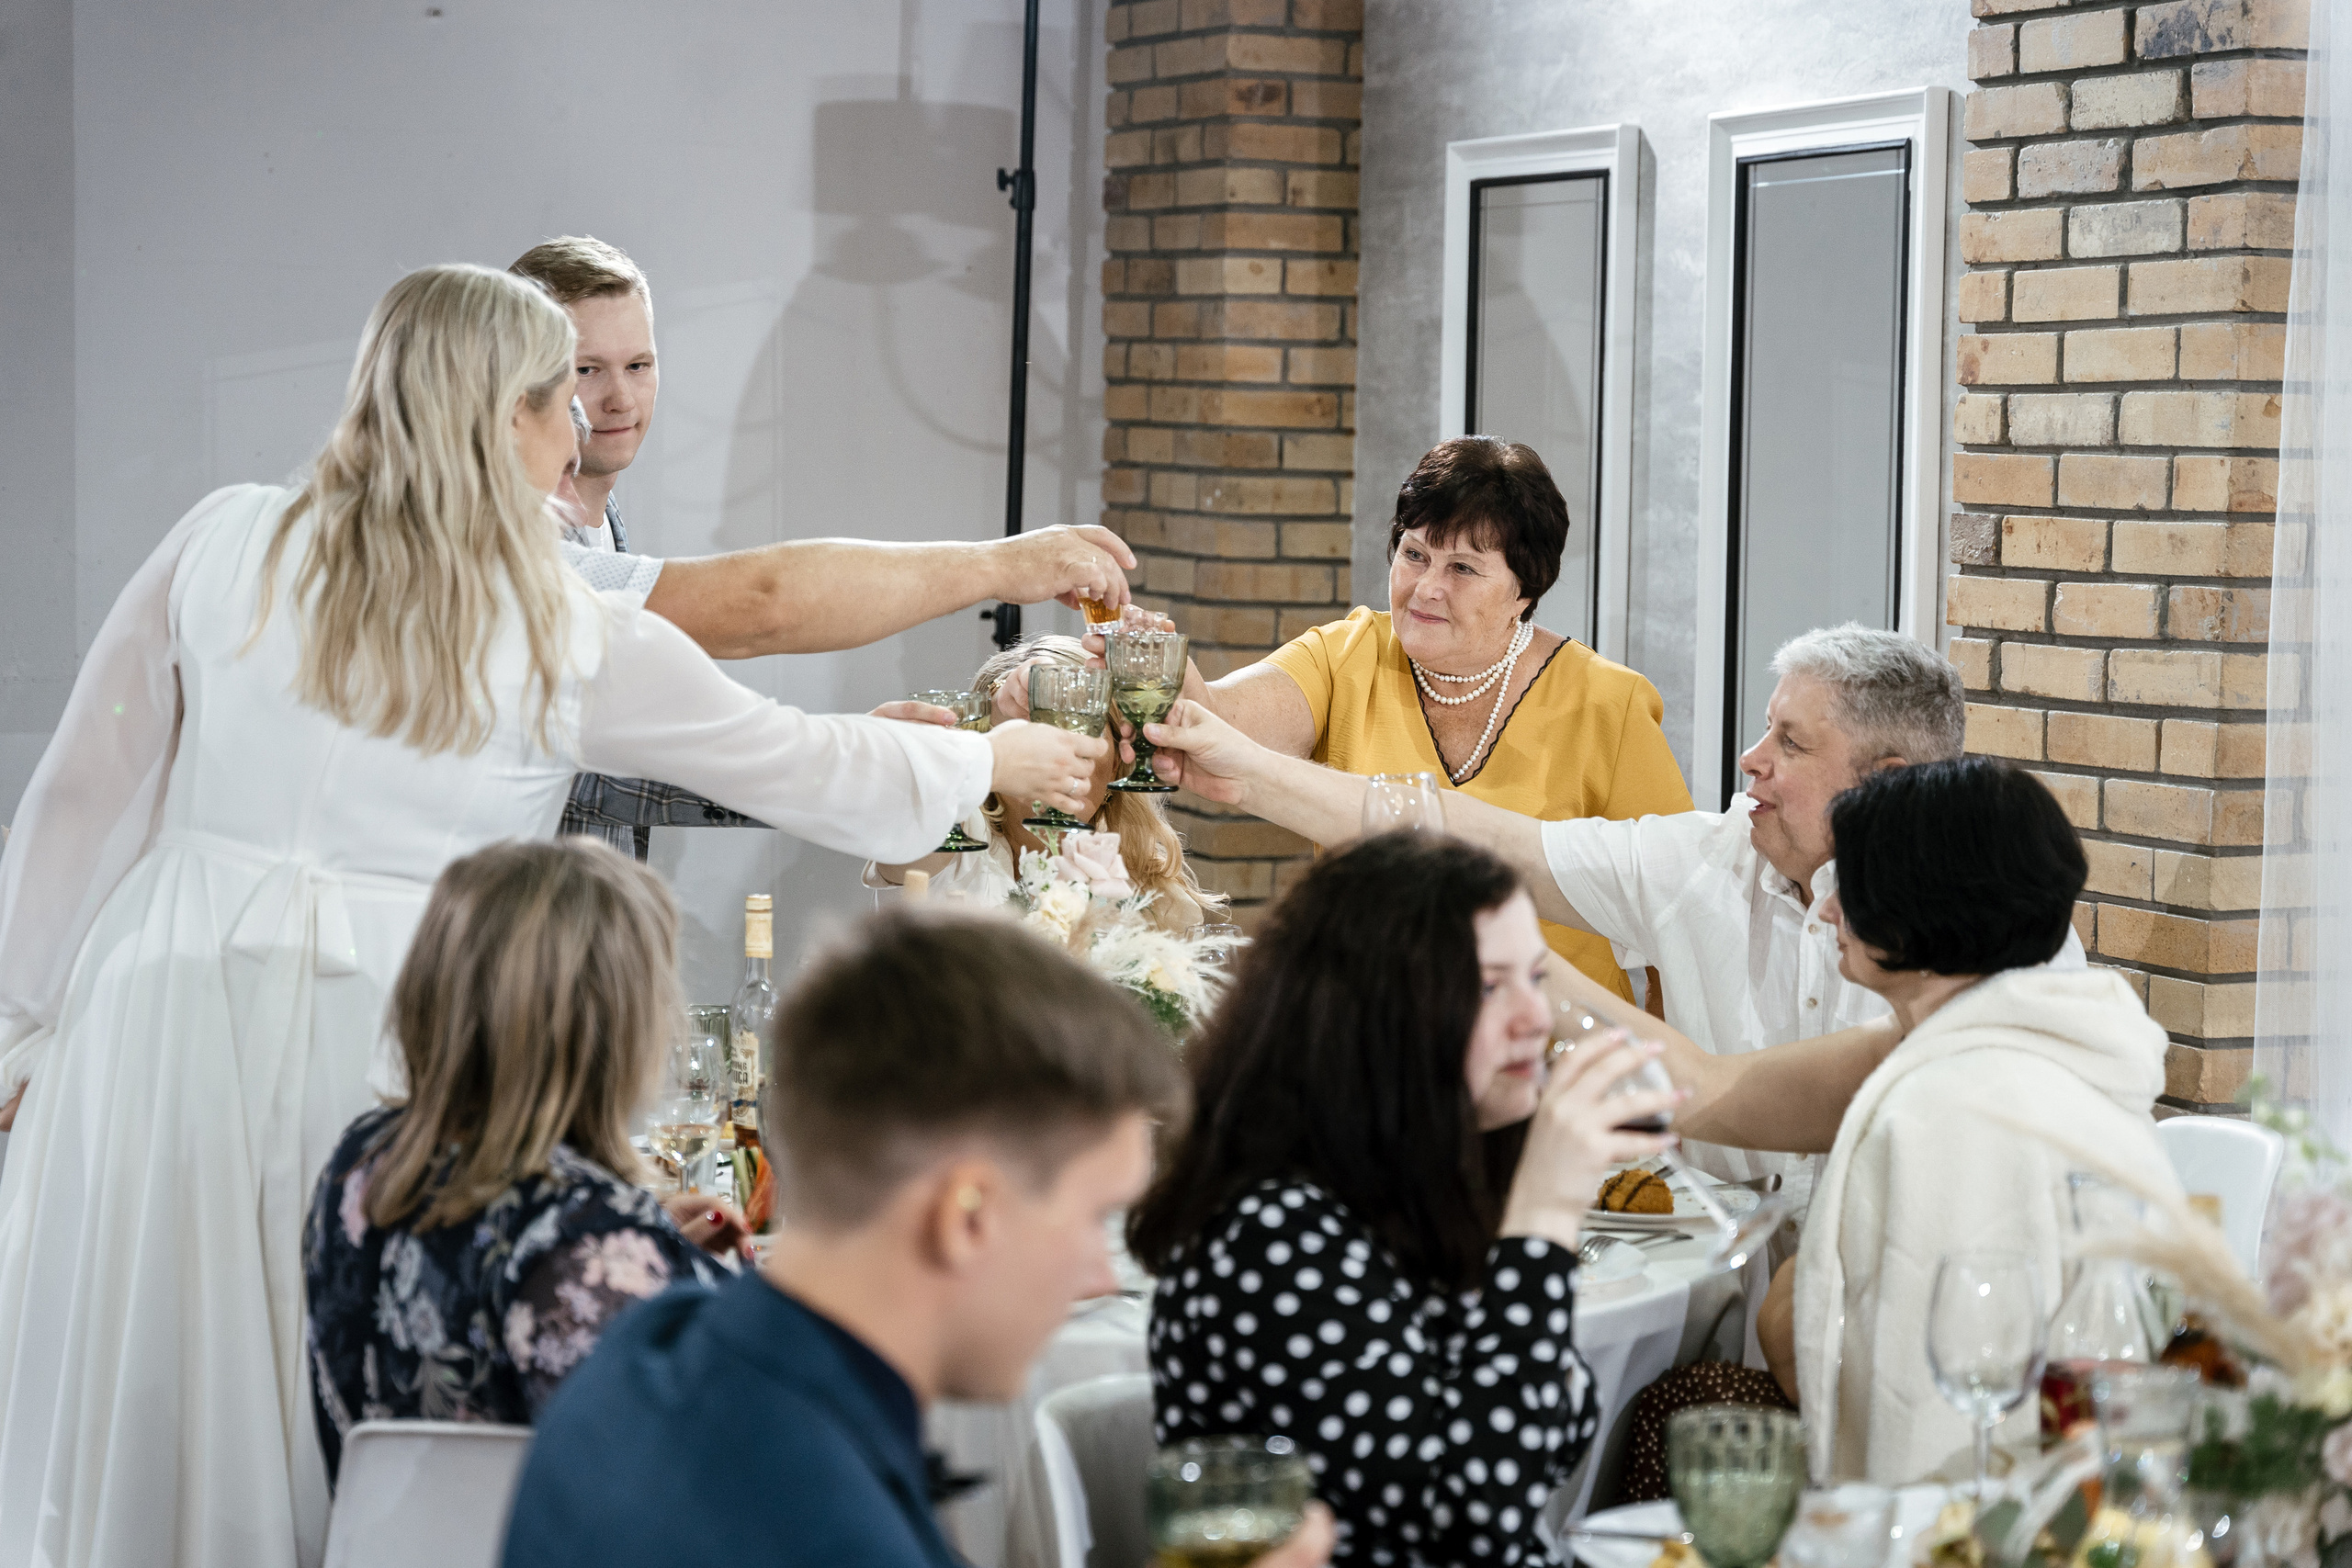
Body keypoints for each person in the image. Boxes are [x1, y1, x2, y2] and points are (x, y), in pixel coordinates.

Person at [0, 263, 1104, 1568]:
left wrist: (22, 1023)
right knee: (316, 1440)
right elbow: (796, 760)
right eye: (564, 399)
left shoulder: (226, 534)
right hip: (391, 1039)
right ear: (512, 415)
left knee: (143, 1399)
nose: (583, 427)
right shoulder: (562, 621)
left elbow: (84, 784)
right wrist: (986, 767)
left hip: (146, 1019)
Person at [502, 905, 1337, 1568]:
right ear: (965, 1215)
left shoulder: (654, 1346)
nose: (1098, 1275)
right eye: (1091, 1219)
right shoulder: (820, 1522)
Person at [1145, 623, 2086, 1210]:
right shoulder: (1708, 858)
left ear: (1885, 786)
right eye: (1764, 727)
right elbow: (1464, 830)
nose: (1749, 760)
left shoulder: (1986, 949)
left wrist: (1513, 973)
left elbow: (1716, 1092)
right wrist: (1243, 770)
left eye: (1790, 743)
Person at [1126, 833, 1679, 1566]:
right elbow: (1470, 1517)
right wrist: (1542, 1222)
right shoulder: (1273, 1231)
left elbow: (1541, 1438)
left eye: (1536, 978)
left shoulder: (1422, 1187)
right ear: (1376, 1011)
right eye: (1488, 986)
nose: (1536, 1018)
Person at [509, 236, 1139, 858]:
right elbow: (764, 603)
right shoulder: (516, 553)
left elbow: (627, 752)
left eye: (639, 365)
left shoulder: (600, 517)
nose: (618, 398)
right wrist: (1000, 566)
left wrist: (868, 753)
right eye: (587, 371)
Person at [1031, 436, 1692, 1004]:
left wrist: (1674, 1092)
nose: (1427, 586)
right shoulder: (1347, 653)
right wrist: (1145, 651)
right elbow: (1223, 722)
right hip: (1370, 1044)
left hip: (1543, 1056)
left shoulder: (1611, 704)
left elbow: (1677, 912)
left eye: (1463, 567)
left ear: (1525, 589)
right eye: (1415, 554)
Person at [1756, 758, 2178, 1483]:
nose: (1826, 909)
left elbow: (1924, 1414)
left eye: (1850, 884)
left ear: (1920, 899)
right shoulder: (2059, 1064)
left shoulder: (1952, 1110)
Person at [305, 840, 746, 1484]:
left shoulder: (362, 1160)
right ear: (613, 1023)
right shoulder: (584, 1237)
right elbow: (685, 1477)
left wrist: (638, 1248)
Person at [869, 636, 1227, 931]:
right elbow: (905, 857)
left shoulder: (1156, 896)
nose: (1063, 756)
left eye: (1081, 733)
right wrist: (994, 713)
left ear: (1119, 759)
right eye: (1038, 733)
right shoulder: (955, 838)